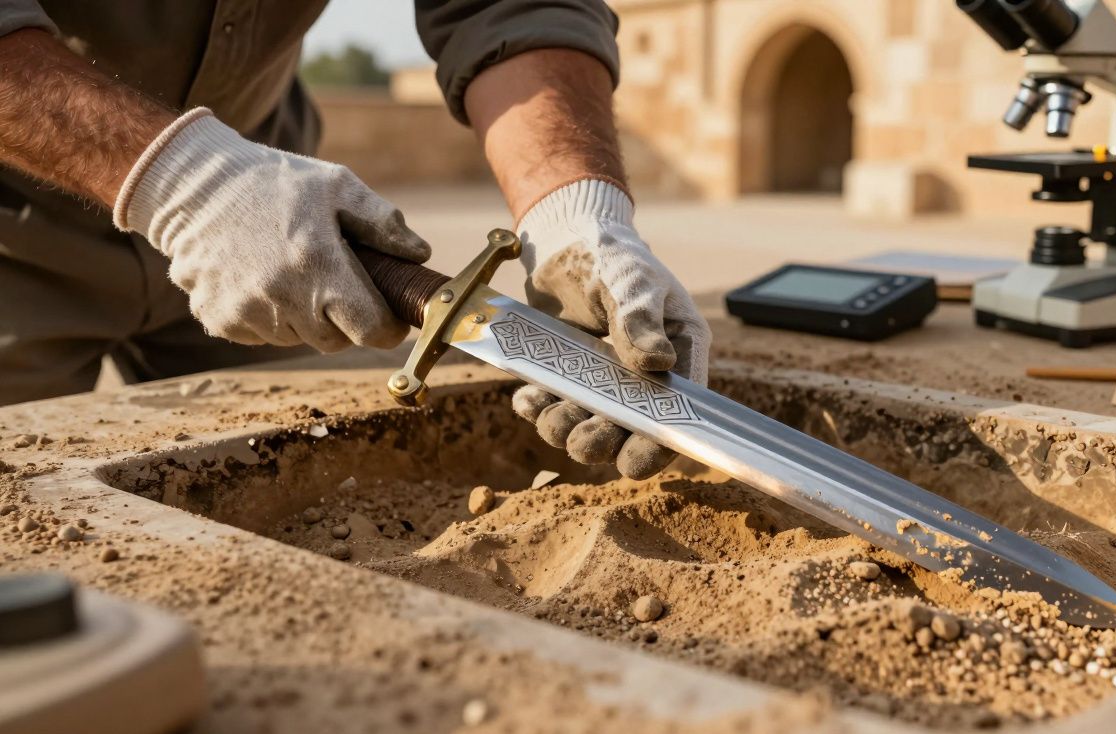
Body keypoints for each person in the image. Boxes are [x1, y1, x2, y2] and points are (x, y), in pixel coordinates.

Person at [0, 1, 709, 479]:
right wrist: (183, 180)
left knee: (273, 486)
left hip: (274, 235)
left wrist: (575, 212)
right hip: (17, 229)